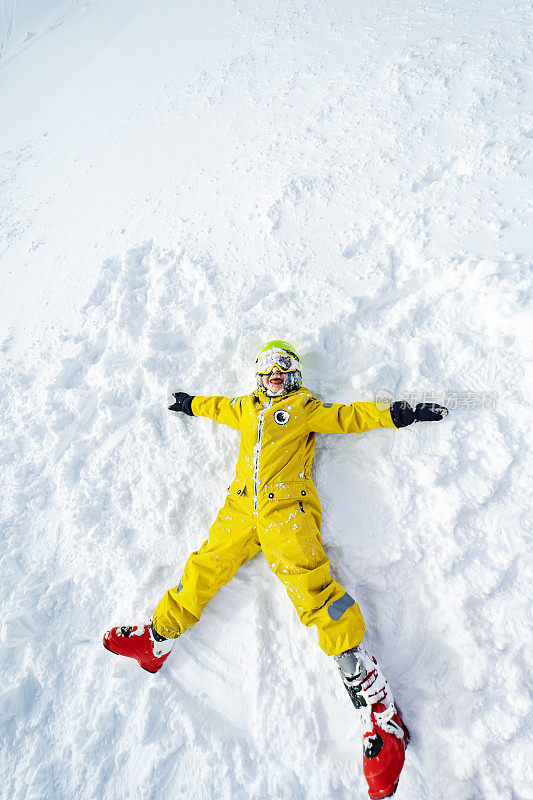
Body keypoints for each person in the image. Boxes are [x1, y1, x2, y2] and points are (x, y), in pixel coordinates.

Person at [103, 340, 448, 799]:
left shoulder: (302, 409)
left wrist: (398, 413)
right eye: (267, 369)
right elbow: (217, 406)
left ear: (295, 378)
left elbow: (349, 417)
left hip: (287, 512)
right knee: (203, 568)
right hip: (241, 511)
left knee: (314, 591)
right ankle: (157, 640)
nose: (275, 377)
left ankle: (377, 708)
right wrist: (189, 404)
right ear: (257, 375)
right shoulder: (245, 408)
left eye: (284, 370)